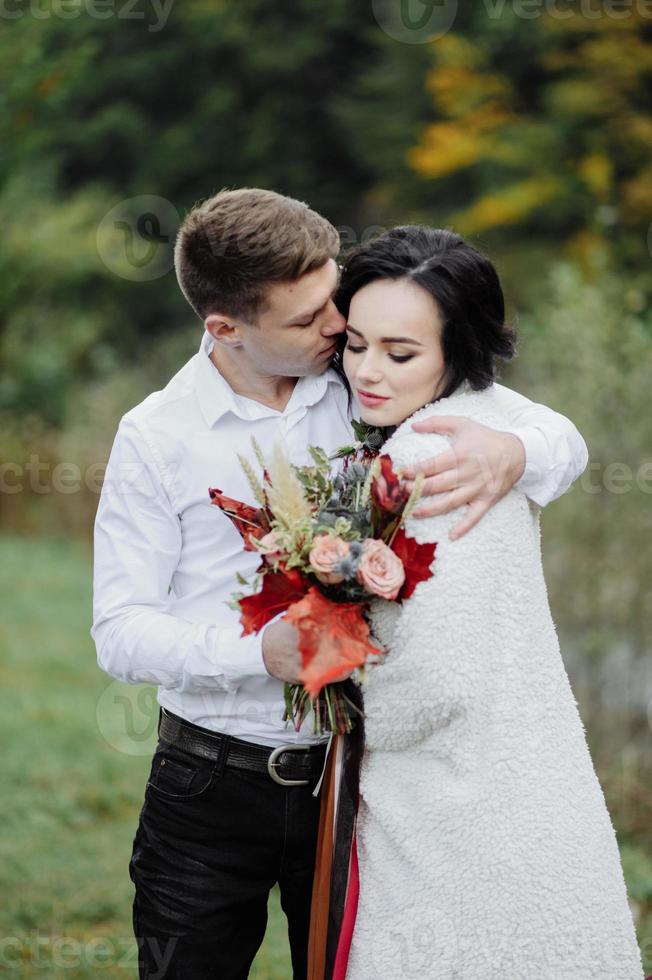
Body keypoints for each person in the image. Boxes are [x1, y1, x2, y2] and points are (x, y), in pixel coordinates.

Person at [91, 189, 590, 980]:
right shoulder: (156, 437)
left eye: (336, 304)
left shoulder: (362, 382)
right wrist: (263, 652)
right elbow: (120, 630)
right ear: (224, 329)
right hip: (208, 785)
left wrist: (517, 453)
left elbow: (551, 430)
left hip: (349, 784)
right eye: (309, 321)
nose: (337, 330)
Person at [332, 225, 645, 979]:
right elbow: (551, 430)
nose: (367, 371)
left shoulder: (430, 457)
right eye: (354, 342)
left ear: (457, 350)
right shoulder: (487, 419)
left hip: (442, 795)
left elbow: (440, 677)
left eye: (400, 354)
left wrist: (342, 704)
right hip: (525, 772)